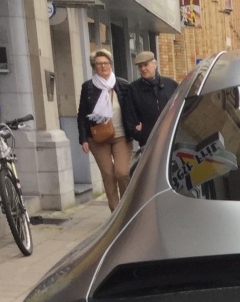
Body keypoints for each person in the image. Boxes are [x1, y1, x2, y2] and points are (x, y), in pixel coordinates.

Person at [77, 50, 136, 212]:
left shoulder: (122, 85)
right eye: (99, 64)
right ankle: (115, 212)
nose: (103, 66)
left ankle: (126, 208)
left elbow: (132, 109)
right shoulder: (88, 87)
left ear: (110, 64)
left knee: (122, 172)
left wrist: (137, 126)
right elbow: (82, 114)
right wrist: (83, 138)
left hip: (121, 136)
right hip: (98, 138)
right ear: (94, 67)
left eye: (106, 63)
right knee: (108, 175)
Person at [127, 50, 179, 147]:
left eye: (145, 65)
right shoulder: (134, 88)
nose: (143, 69)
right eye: (140, 66)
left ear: (155, 64)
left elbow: (182, 106)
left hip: (173, 137)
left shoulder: (170, 84)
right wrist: (139, 135)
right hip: (148, 141)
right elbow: (130, 115)